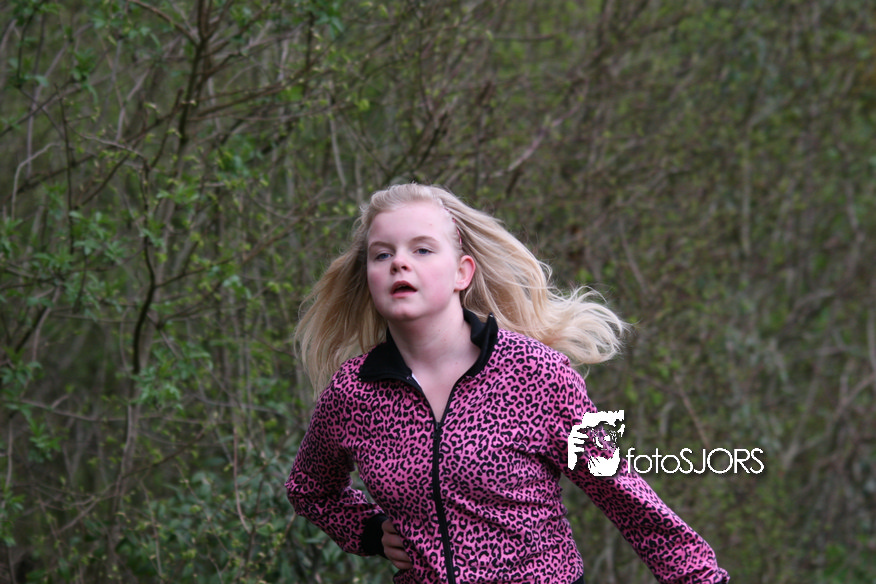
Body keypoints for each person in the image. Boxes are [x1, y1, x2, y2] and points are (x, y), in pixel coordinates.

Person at [285, 183, 729, 584]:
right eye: (382, 255)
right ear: (369, 277)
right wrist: (370, 532)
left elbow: (623, 493)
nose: (399, 262)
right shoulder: (354, 393)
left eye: (422, 249)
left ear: (462, 272)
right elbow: (309, 489)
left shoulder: (536, 373)